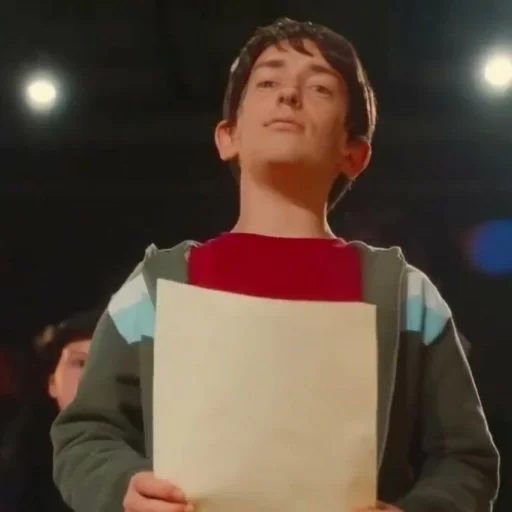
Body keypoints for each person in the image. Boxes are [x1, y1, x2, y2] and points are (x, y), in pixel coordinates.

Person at [50, 18, 499, 512]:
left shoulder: (406, 297)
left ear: (354, 153)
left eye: (320, 87)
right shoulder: (156, 288)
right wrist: (123, 488)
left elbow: (466, 459)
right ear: (228, 136)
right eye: (267, 82)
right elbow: (86, 432)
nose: (288, 95)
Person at [0, 309, 99, 512]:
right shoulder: (18, 461)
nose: (91, 377)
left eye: (107, 365)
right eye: (80, 363)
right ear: (52, 382)